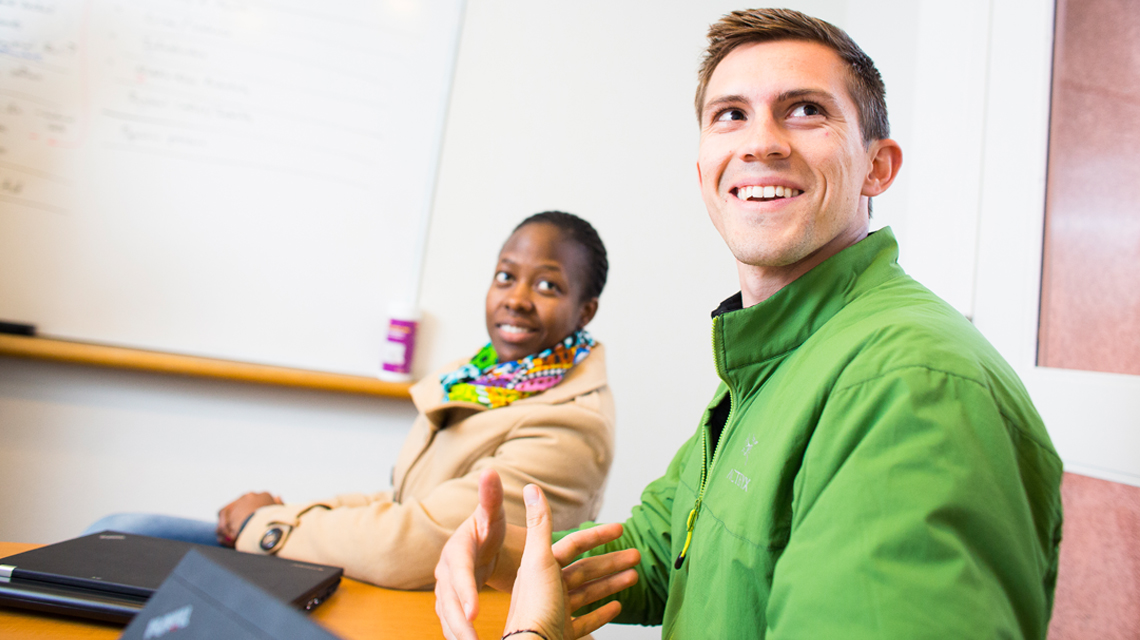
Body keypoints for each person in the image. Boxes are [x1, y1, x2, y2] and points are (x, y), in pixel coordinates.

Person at [434, 8, 1064, 639]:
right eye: (731, 115)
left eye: (805, 110)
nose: (760, 142)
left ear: (878, 166)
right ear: (705, 170)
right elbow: (663, 552)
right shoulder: (776, 355)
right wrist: (507, 552)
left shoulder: (909, 383)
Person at [85, 211, 617, 590]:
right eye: (506, 276)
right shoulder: (479, 379)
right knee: (121, 532)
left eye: (547, 286)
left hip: (441, 607)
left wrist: (264, 528)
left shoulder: (570, 426)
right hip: (402, 578)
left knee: (129, 545)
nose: (516, 298)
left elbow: (422, 543)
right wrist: (282, 515)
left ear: (584, 311)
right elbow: (400, 503)